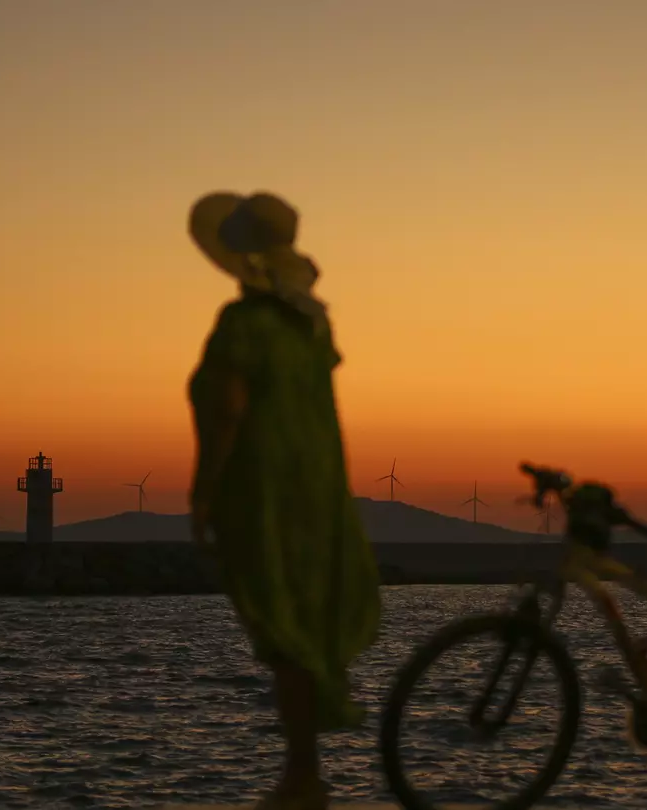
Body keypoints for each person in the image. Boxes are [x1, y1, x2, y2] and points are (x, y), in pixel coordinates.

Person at [186, 191, 382, 810]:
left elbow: (228, 413)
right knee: (303, 614)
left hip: (263, 484)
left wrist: (205, 491)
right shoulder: (311, 321)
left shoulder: (243, 325)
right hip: (318, 480)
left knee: (277, 618)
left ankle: (301, 779)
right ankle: (305, 774)